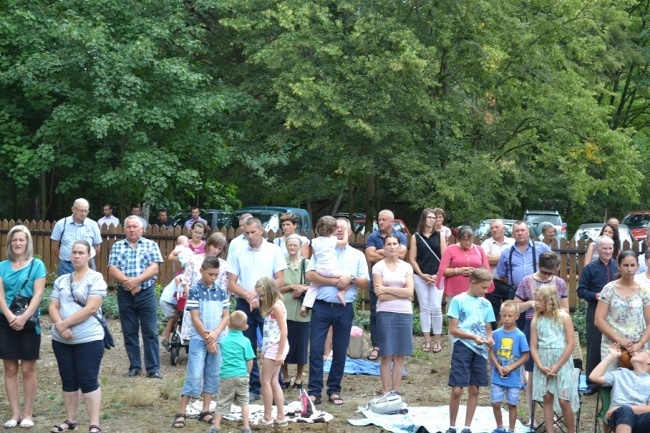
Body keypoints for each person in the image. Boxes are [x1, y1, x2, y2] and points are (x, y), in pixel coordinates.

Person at [306, 217, 369, 406]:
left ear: (350, 232)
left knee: (340, 350)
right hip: (321, 306)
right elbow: (309, 275)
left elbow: (365, 282)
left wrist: (350, 278)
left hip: (344, 309)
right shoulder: (323, 250)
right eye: (337, 228)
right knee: (316, 349)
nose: (339, 231)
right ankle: (314, 390)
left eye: (343, 228)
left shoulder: (357, 255)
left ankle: (334, 389)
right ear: (332, 231)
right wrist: (336, 281)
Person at [49, 240, 107, 433]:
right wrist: (59, 325)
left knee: (88, 379)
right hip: (61, 340)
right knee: (68, 379)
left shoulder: (96, 278)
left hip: (89, 338)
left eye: (81, 252)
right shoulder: (61, 280)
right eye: (74, 252)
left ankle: (94, 424)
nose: (77, 256)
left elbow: (91, 307)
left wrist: (64, 324)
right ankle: (70, 420)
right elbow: (53, 306)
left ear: (89, 255)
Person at [227, 217, 286, 402]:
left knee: (272, 343)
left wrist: (257, 294)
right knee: (247, 346)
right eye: (246, 233)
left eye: (253, 232)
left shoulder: (273, 250)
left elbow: (280, 280)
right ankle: (253, 387)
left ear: (261, 230)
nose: (250, 236)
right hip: (245, 303)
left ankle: (276, 386)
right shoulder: (238, 252)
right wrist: (248, 295)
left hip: (268, 303)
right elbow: (231, 283)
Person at [172, 256, 230, 428]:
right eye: (210, 274)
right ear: (202, 271)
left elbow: (226, 315)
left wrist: (216, 334)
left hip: (217, 338)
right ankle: (182, 411)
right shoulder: (195, 290)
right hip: (199, 338)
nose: (213, 278)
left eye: (216, 274)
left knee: (213, 374)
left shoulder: (221, 291)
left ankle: (205, 411)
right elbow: (195, 317)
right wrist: (208, 338)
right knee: (195, 373)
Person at [514, 251, 569, 427]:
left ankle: (551, 415)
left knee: (552, 375)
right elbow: (515, 307)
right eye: (544, 272)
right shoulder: (526, 281)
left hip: (554, 330)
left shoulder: (559, 283)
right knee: (531, 373)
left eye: (550, 273)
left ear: (556, 269)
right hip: (532, 326)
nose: (546, 276)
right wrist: (529, 304)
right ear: (538, 266)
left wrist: (553, 311)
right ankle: (532, 414)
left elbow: (566, 309)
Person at [0, 225, 47, 429]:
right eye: (14, 240)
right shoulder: (1, 266)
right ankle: (15, 414)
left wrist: (23, 317)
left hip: (29, 322)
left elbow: (38, 294)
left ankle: (28, 414)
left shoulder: (37, 265)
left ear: (27, 242)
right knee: (9, 368)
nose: (18, 243)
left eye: (21, 239)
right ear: (10, 243)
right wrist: (11, 316)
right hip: (5, 320)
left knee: (28, 369)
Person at [108, 215, 163, 379]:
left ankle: (153, 369)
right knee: (129, 331)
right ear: (124, 229)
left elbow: (154, 269)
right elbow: (112, 269)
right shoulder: (117, 246)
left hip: (146, 293)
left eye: (135, 227)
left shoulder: (151, 245)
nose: (132, 230)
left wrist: (137, 281)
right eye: (129, 227)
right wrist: (128, 283)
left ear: (142, 229)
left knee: (151, 332)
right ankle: (135, 367)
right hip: (125, 294)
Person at [446, 268, 495, 433]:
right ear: (473, 283)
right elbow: (453, 329)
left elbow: (488, 327)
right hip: (463, 346)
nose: (486, 291)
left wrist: (489, 338)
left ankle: (467, 427)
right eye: (483, 287)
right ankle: (452, 426)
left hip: (480, 350)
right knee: (457, 389)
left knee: (474, 388)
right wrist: (473, 337)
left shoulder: (486, 303)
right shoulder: (458, 301)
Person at [530, 285, 579, 433]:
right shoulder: (536, 320)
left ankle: (572, 431)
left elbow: (570, 343)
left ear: (549, 300)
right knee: (547, 398)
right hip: (543, 361)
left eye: (539, 300)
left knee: (564, 400)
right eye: (535, 300)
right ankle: (550, 430)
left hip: (561, 362)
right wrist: (539, 365)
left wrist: (557, 366)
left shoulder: (564, 317)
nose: (536, 303)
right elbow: (533, 346)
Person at [373, 233, 415, 395]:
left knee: (399, 355)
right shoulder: (378, 267)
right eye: (388, 244)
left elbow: (410, 291)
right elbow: (380, 295)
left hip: (404, 314)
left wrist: (387, 289)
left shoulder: (407, 267)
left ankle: (395, 391)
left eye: (394, 244)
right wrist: (402, 292)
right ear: (384, 247)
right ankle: (385, 391)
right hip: (385, 313)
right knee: (386, 354)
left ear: (399, 247)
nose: (391, 247)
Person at [365, 210, 408, 361]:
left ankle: (393, 346)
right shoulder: (373, 236)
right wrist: (390, 253)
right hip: (377, 278)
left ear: (391, 221)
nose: (380, 222)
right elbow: (370, 256)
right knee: (375, 314)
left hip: (396, 280)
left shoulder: (401, 236)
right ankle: (377, 346)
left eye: (383, 219)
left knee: (395, 314)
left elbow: (402, 255)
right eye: (378, 219)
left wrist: (381, 251)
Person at [596, 251, 650, 371]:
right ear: (618, 266)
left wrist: (640, 344)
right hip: (612, 345)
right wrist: (620, 340)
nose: (629, 269)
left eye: (632, 265)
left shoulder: (644, 291)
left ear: (638, 266)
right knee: (608, 383)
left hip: (637, 347)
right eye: (625, 265)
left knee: (638, 383)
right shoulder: (609, 289)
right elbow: (599, 320)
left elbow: (649, 322)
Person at [577, 236, 618, 395]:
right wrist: (595, 295)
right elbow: (580, 291)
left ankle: (612, 380)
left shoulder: (617, 266)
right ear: (598, 250)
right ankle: (592, 383)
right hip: (596, 309)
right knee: (594, 345)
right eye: (604, 248)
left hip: (615, 313)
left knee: (613, 345)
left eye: (610, 248)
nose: (607, 251)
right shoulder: (590, 268)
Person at [496, 220, 551, 330]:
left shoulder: (542, 248)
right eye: (517, 231)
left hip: (539, 293)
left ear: (528, 232)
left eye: (522, 230)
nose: (520, 233)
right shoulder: (507, 252)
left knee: (540, 324)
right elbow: (502, 275)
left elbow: (553, 266)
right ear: (513, 234)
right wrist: (518, 283)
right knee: (518, 326)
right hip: (516, 293)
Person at [207, 311, 255, 433]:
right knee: (244, 401)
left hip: (226, 375)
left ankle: (216, 426)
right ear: (246, 327)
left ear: (228, 324)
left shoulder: (224, 341)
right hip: (241, 375)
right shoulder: (246, 341)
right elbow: (249, 360)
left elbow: (220, 352)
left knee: (222, 401)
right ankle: (246, 427)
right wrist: (247, 373)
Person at [488, 301, 530, 433]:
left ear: (517, 316)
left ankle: (511, 429)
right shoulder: (495, 334)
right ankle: (500, 427)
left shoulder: (520, 335)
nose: (506, 318)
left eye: (510, 315)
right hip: (497, 375)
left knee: (512, 404)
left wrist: (511, 367)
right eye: (504, 315)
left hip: (514, 377)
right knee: (495, 403)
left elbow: (525, 356)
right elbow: (491, 352)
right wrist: (497, 366)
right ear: (500, 315)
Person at [589, 343, 650, 433]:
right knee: (625, 410)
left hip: (641, 417)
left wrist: (627, 407)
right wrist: (612, 356)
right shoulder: (620, 373)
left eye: (641, 351)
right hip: (619, 415)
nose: (635, 352)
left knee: (626, 409)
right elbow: (594, 377)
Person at [178, 233, 228, 342]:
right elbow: (186, 282)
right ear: (208, 244)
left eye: (220, 249)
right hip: (195, 302)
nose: (216, 251)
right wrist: (192, 298)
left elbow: (223, 287)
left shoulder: (223, 265)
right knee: (196, 338)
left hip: (214, 305)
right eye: (215, 247)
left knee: (213, 337)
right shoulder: (194, 260)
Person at [409, 208, 447, 353]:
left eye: (434, 217)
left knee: (436, 307)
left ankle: (437, 341)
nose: (432, 220)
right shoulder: (416, 237)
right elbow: (412, 258)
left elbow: (444, 258)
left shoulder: (440, 236)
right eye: (429, 217)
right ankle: (426, 340)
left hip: (437, 276)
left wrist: (438, 274)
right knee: (424, 308)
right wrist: (421, 274)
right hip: (421, 277)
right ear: (423, 219)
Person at [256, 277, 289, 426]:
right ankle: (281, 416)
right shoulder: (273, 306)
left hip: (276, 347)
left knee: (265, 381)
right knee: (274, 381)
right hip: (272, 346)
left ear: (270, 292)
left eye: (263, 295)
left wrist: (280, 353)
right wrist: (264, 349)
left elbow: (283, 330)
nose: (261, 298)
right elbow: (270, 330)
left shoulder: (276, 306)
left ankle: (267, 417)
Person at [280, 234, 310, 389]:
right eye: (289, 245)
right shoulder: (281, 264)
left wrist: (302, 289)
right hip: (284, 310)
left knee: (302, 345)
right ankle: (285, 375)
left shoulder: (307, 264)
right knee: (283, 344)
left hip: (302, 311)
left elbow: (314, 286)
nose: (292, 248)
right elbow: (276, 287)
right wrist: (291, 287)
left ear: (300, 247)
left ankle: (299, 377)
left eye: (295, 245)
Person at [437, 226, 493, 306]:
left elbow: (486, 270)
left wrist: (476, 272)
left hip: (475, 290)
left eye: (470, 239)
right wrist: (459, 270)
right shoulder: (450, 249)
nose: (468, 242)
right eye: (465, 240)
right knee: (456, 316)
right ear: (459, 239)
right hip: (455, 290)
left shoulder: (479, 250)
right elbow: (443, 270)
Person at [301, 216, 347, 314]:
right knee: (348, 275)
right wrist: (346, 231)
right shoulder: (332, 240)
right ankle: (342, 292)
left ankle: (305, 306)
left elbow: (314, 254)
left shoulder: (315, 241)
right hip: (330, 269)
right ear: (332, 230)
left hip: (319, 269)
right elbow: (344, 243)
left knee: (313, 287)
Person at [51, 198, 102, 275]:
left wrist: (85, 259)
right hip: (66, 266)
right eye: (81, 211)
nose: (84, 214)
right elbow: (54, 248)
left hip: (87, 266)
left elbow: (97, 248)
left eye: (86, 211)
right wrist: (66, 258)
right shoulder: (61, 224)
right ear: (73, 209)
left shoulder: (93, 225)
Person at [481, 219, 515, 328]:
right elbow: (484, 260)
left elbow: (514, 260)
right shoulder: (486, 243)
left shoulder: (513, 242)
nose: (494, 230)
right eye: (492, 228)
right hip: (493, 283)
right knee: (492, 313)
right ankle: (493, 337)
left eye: (497, 227)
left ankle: (511, 336)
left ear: (504, 229)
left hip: (510, 283)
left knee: (511, 312)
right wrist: (505, 258)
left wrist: (494, 258)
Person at [160, 235, 192, 350]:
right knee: (173, 318)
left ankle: (176, 333)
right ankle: (166, 339)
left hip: (170, 300)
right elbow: (180, 286)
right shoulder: (181, 277)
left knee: (178, 315)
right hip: (167, 300)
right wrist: (181, 290)